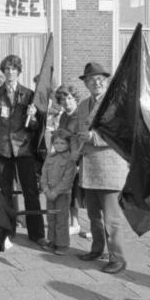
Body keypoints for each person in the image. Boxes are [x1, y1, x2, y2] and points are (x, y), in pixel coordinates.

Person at [0, 54, 46, 246]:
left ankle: (37, 233)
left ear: (19, 72)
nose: (10, 72)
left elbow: (35, 127)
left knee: (30, 191)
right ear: (3, 71)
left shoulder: (29, 94)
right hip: (2, 149)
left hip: (23, 149)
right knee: (6, 192)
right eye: (7, 69)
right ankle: (8, 230)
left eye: (13, 69)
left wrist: (33, 117)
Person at [76, 62, 129, 274]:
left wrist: (93, 137)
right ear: (86, 84)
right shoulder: (83, 105)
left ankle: (117, 258)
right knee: (93, 216)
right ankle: (97, 249)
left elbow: (121, 133)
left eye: (100, 79)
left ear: (106, 82)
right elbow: (77, 131)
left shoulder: (115, 104)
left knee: (111, 219)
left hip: (110, 168)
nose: (96, 83)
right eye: (91, 80)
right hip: (89, 168)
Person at [53, 84, 85, 235]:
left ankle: (77, 223)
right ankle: (74, 222)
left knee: (78, 193)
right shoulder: (64, 115)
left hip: (77, 158)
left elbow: (81, 139)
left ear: (75, 99)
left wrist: (78, 161)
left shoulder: (80, 115)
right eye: (63, 99)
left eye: (70, 98)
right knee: (69, 191)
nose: (66, 102)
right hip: (65, 158)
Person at [40, 128, 77, 255]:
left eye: (62, 143)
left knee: (61, 219)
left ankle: (62, 244)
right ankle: (52, 241)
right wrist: (46, 189)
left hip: (62, 195)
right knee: (51, 218)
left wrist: (55, 192)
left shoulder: (70, 159)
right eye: (56, 143)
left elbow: (67, 179)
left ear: (68, 144)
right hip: (49, 193)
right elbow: (43, 174)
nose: (59, 145)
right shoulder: (49, 157)